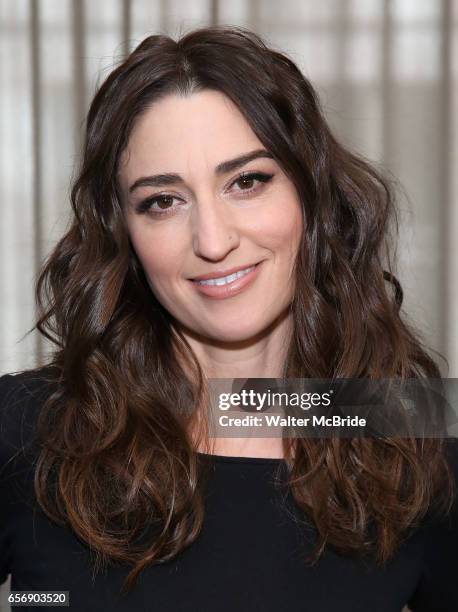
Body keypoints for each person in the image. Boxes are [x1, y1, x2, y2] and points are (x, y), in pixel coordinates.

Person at [0, 25, 457, 612]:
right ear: (123, 234)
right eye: (163, 200)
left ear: (311, 196)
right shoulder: (27, 433)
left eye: (247, 181)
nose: (213, 241)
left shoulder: (409, 430)